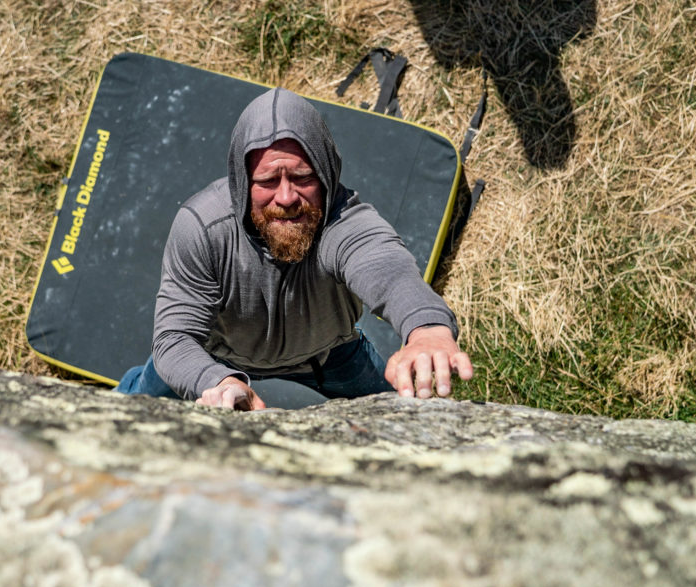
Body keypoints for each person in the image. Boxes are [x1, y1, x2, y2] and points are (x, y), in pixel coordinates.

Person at [115, 87, 472, 410]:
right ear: (242, 184)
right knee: (126, 408)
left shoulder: (343, 220)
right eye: (268, 181)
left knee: (403, 419)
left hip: (329, 355)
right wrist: (217, 381)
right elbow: (174, 338)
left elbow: (389, 271)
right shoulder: (204, 228)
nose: (286, 198)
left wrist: (427, 330)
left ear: (326, 174)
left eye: (302, 178)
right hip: (216, 356)